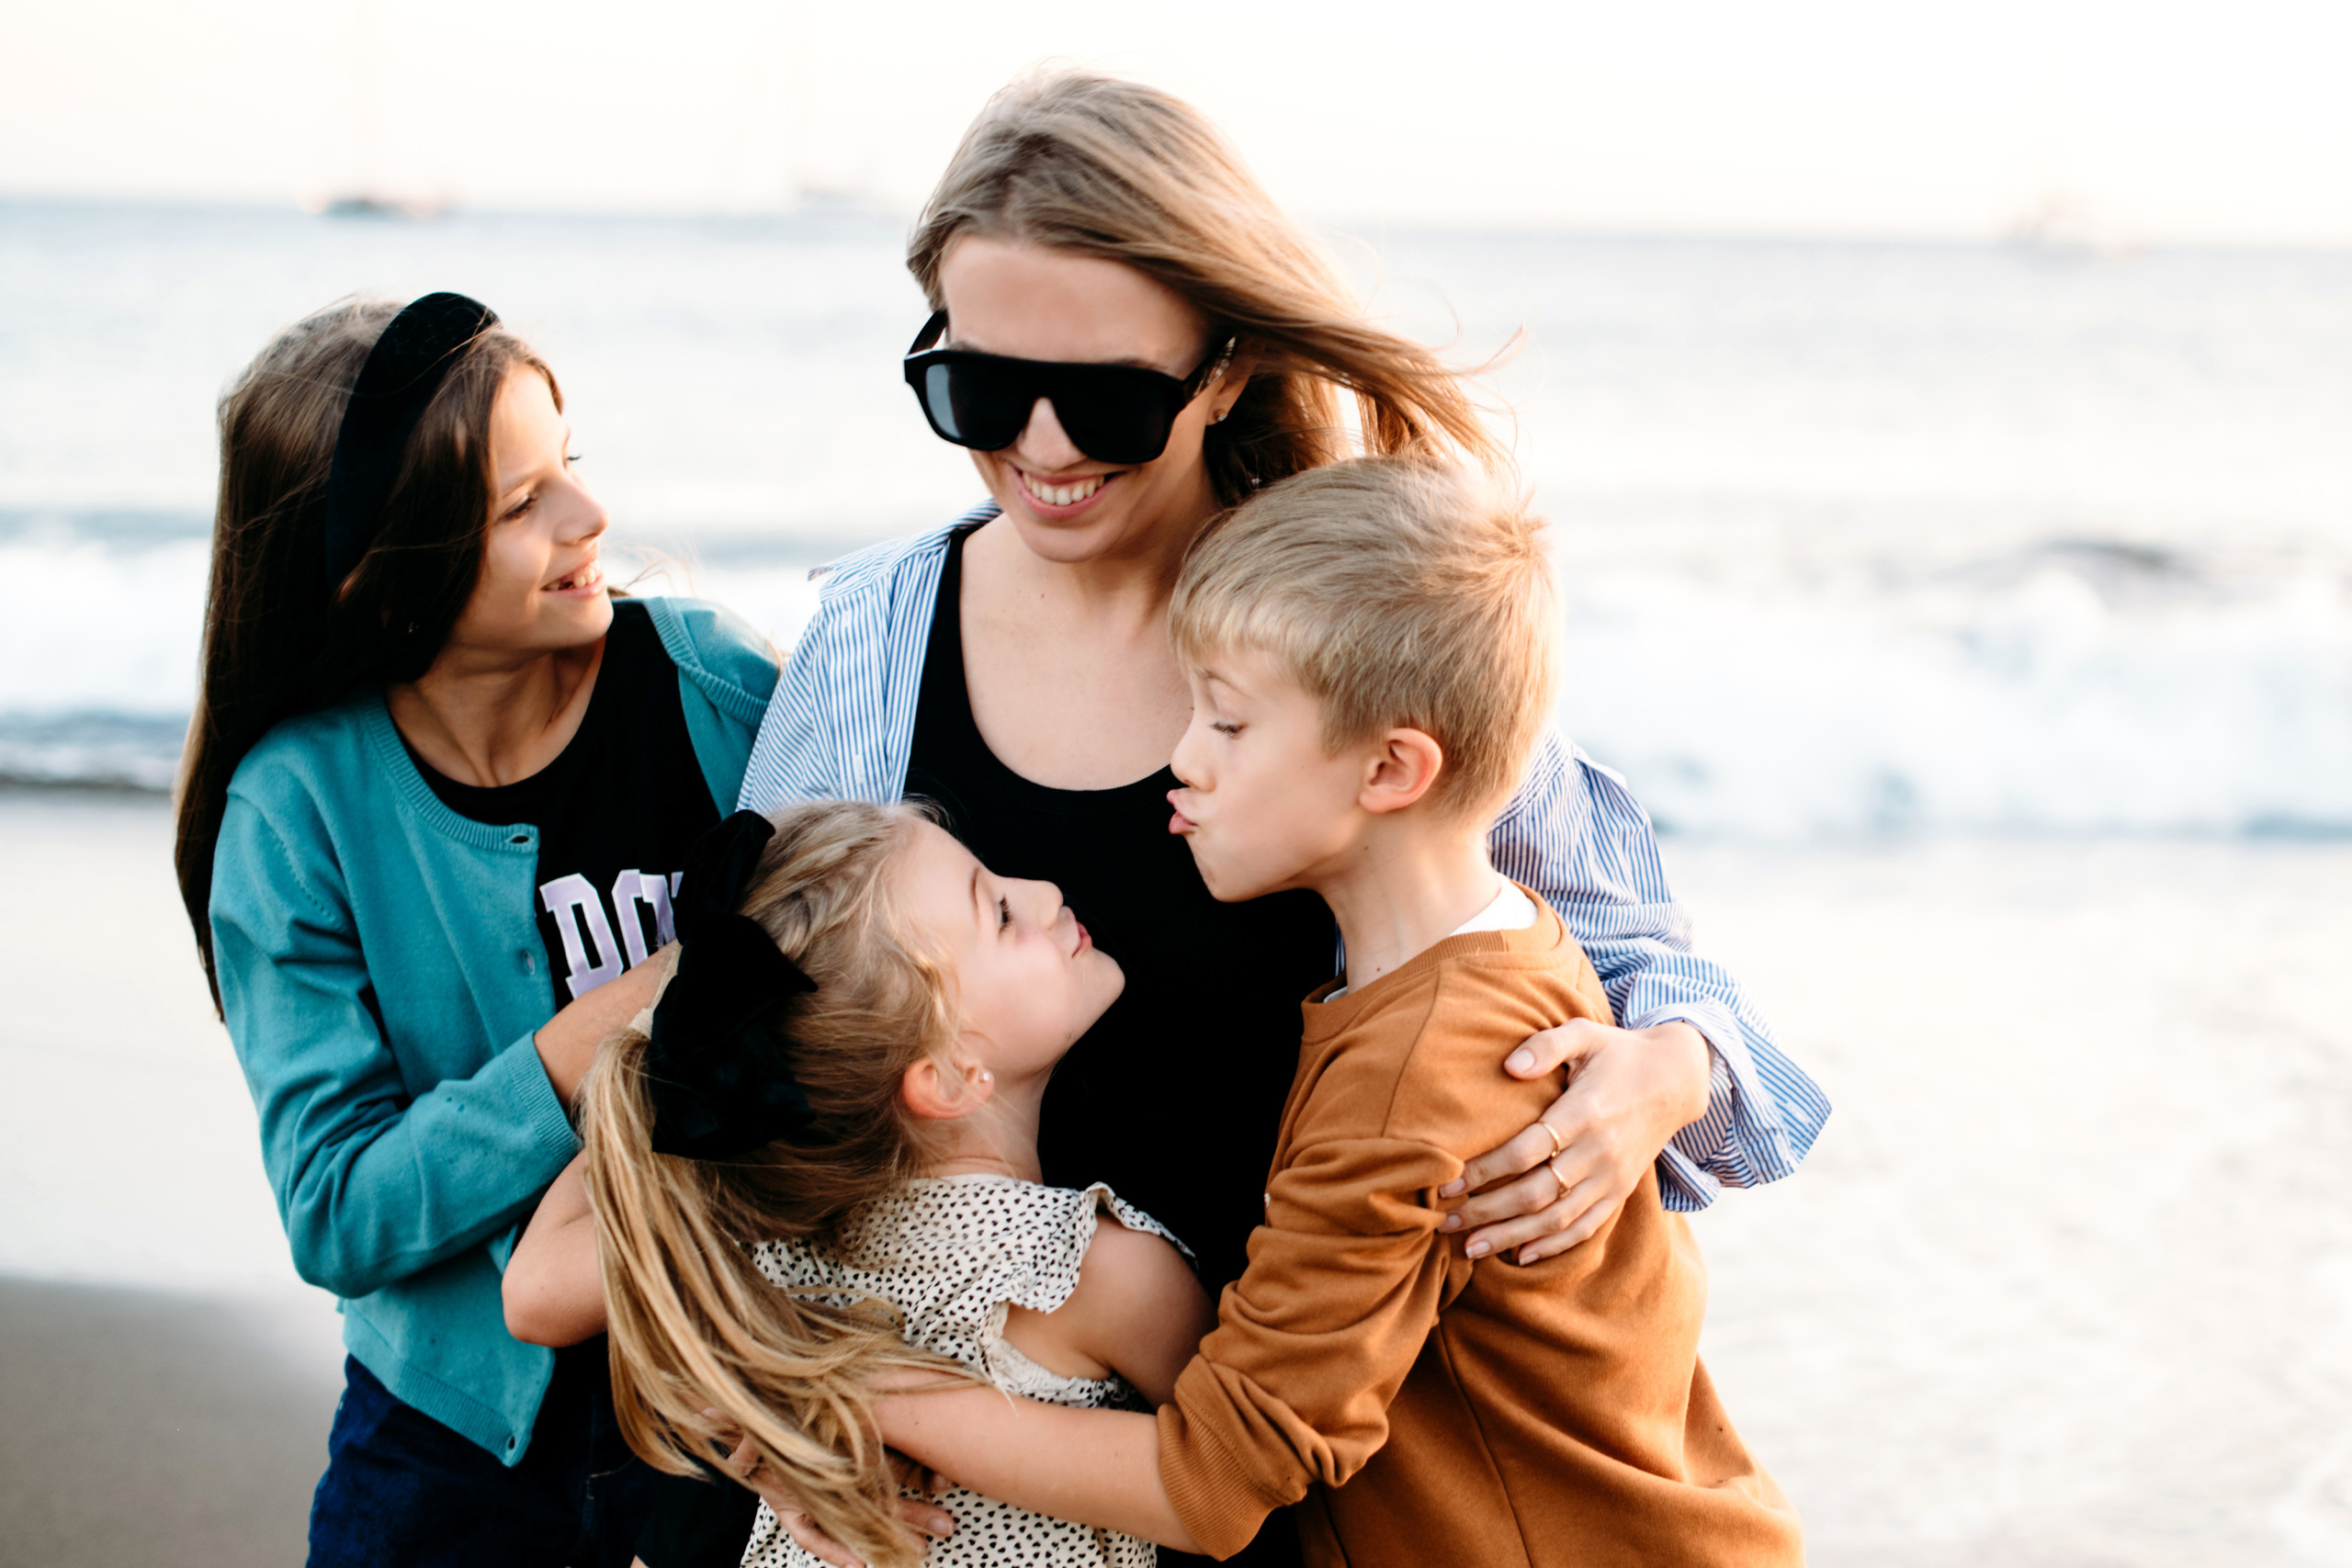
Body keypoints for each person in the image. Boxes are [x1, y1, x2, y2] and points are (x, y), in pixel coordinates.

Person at [732, 71, 1828, 1565]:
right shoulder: (875, 640)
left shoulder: (1349, 617)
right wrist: (798, 1392)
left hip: (1372, 1486)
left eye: (1108, 395)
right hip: (1038, 1498)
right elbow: (756, 1065)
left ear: (1228, 363)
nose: (1043, 447)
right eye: (983, 390)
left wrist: (1662, 1072)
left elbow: (1643, 963)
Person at [855, 455, 1805, 1565]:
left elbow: (1213, 1482)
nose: (1180, 761)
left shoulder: (1416, 1075)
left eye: (1226, 725)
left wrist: (878, 1399)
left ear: (1390, 769)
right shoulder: (1505, 947)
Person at [175, 291, 780, 1565]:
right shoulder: (299, 811)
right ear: (379, 575)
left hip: (744, 1415)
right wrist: (617, 1019)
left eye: (569, 467)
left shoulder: (713, 690)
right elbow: (337, 1209)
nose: (588, 518)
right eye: (519, 504)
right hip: (449, 1450)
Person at [528, 801, 1216, 1568]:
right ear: (950, 1077)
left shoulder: (776, 1246)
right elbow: (1241, 1470)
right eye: (999, 911)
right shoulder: (1090, 1273)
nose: (1046, 892)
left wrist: (685, 1019)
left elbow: (529, 1286)